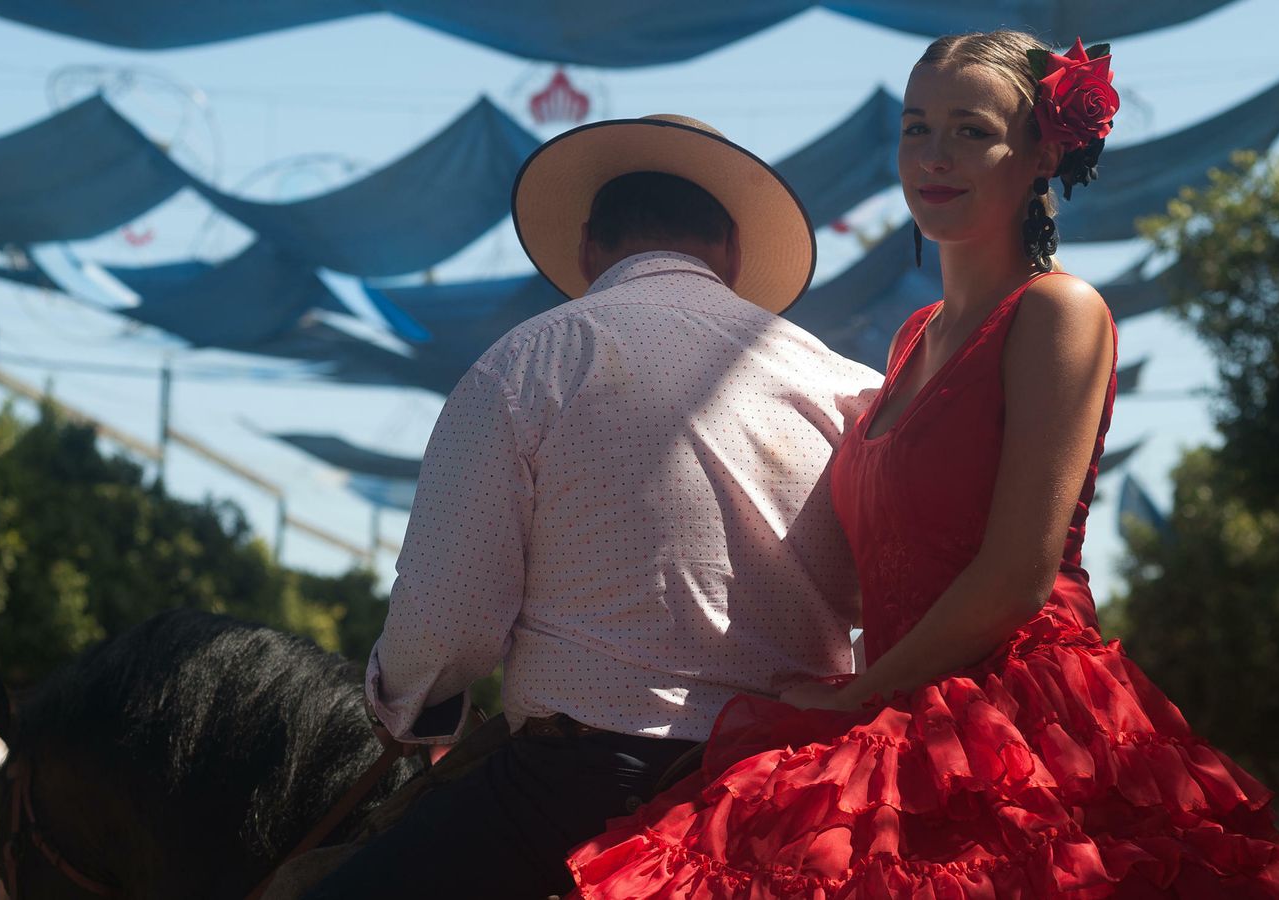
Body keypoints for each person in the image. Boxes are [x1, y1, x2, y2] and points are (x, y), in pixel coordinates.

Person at [568, 31, 1279, 897]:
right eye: (916, 127)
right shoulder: (910, 340)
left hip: (1018, 721)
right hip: (898, 702)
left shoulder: (1059, 312)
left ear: (1044, 150)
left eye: (972, 131)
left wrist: (850, 702)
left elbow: (1016, 578)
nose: (933, 156)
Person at [303, 115, 880, 899]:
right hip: (802, 798)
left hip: (581, 792)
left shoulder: (526, 362)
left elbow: (448, 626)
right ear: (734, 255)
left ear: (588, 250)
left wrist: (404, 707)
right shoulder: (844, 384)